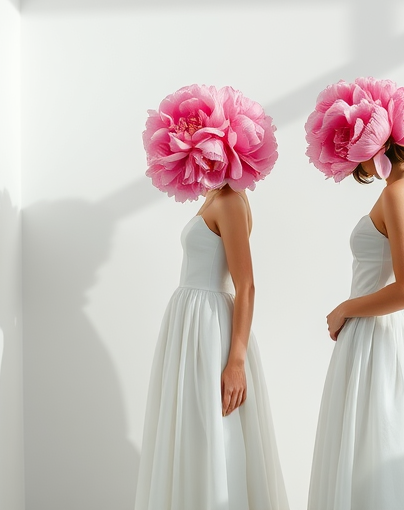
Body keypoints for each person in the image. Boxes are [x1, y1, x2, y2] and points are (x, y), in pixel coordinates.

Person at [304, 78, 404, 510]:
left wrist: (345, 308)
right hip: (395, 338)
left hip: (379, 339)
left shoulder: (397, 194)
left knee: (373, 462)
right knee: (386, 456)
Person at [135, 84, 289, 510]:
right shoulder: (213, 196)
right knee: (192, 427)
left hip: (210, 328)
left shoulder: (231, 201)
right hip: (191, 325)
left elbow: (247, 284)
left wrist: (236, 361)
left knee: (214, 430)